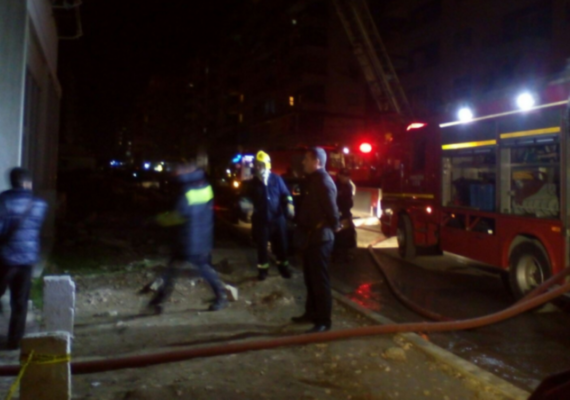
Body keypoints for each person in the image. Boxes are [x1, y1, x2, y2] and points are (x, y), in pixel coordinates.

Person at [148, 160, 227, 313]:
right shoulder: (204, 185)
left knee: (183, 270)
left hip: (190, 239)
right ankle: (157, 302)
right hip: (199, 236)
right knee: (176, 270)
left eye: (180, 168)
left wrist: (157, 220)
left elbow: (178, 215)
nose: (176, 171)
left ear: (188, 169)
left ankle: (157, 302)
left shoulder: (188, 190)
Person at [292, 147, 340, 333]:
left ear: (317, 162)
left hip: (321, 238)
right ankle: (311, 313)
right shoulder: (314, 180)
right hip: (311, 238)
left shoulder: (323, 181)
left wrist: (335, 225)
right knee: (310, 279)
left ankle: (323, 321)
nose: (303, 162)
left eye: (307, 159)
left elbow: (332, 210)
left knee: (320, 281)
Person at [0, 168, 47, 350]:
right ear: (27, 183)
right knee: (20, 302)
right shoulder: (39, 204)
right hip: (27, 259)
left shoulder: (3, 200)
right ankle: (14, 342)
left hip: (4, 259)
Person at [244, 151, 294, 281]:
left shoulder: (276, 179)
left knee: (281, 245)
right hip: (261, 221)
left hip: (278, 219)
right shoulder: (253, 183)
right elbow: (246, 199)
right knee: (262, 247)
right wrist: (246, 207)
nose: (257, 167)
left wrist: (289, 205)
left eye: (260, 164)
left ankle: (283, 268)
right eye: (256, 164)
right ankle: (263, 271)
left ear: (266, 165)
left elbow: (286, 194)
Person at [334, 168, 357, 257]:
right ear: (339, 176)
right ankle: (338, 253)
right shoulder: (335, 186)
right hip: (338, 213)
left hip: (346, 213)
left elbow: (349, 201)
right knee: (340, 233)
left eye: (348, 176)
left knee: (349, 232)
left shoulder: (349, 186)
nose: (346, 178)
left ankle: (346, 252)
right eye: (344, 176)